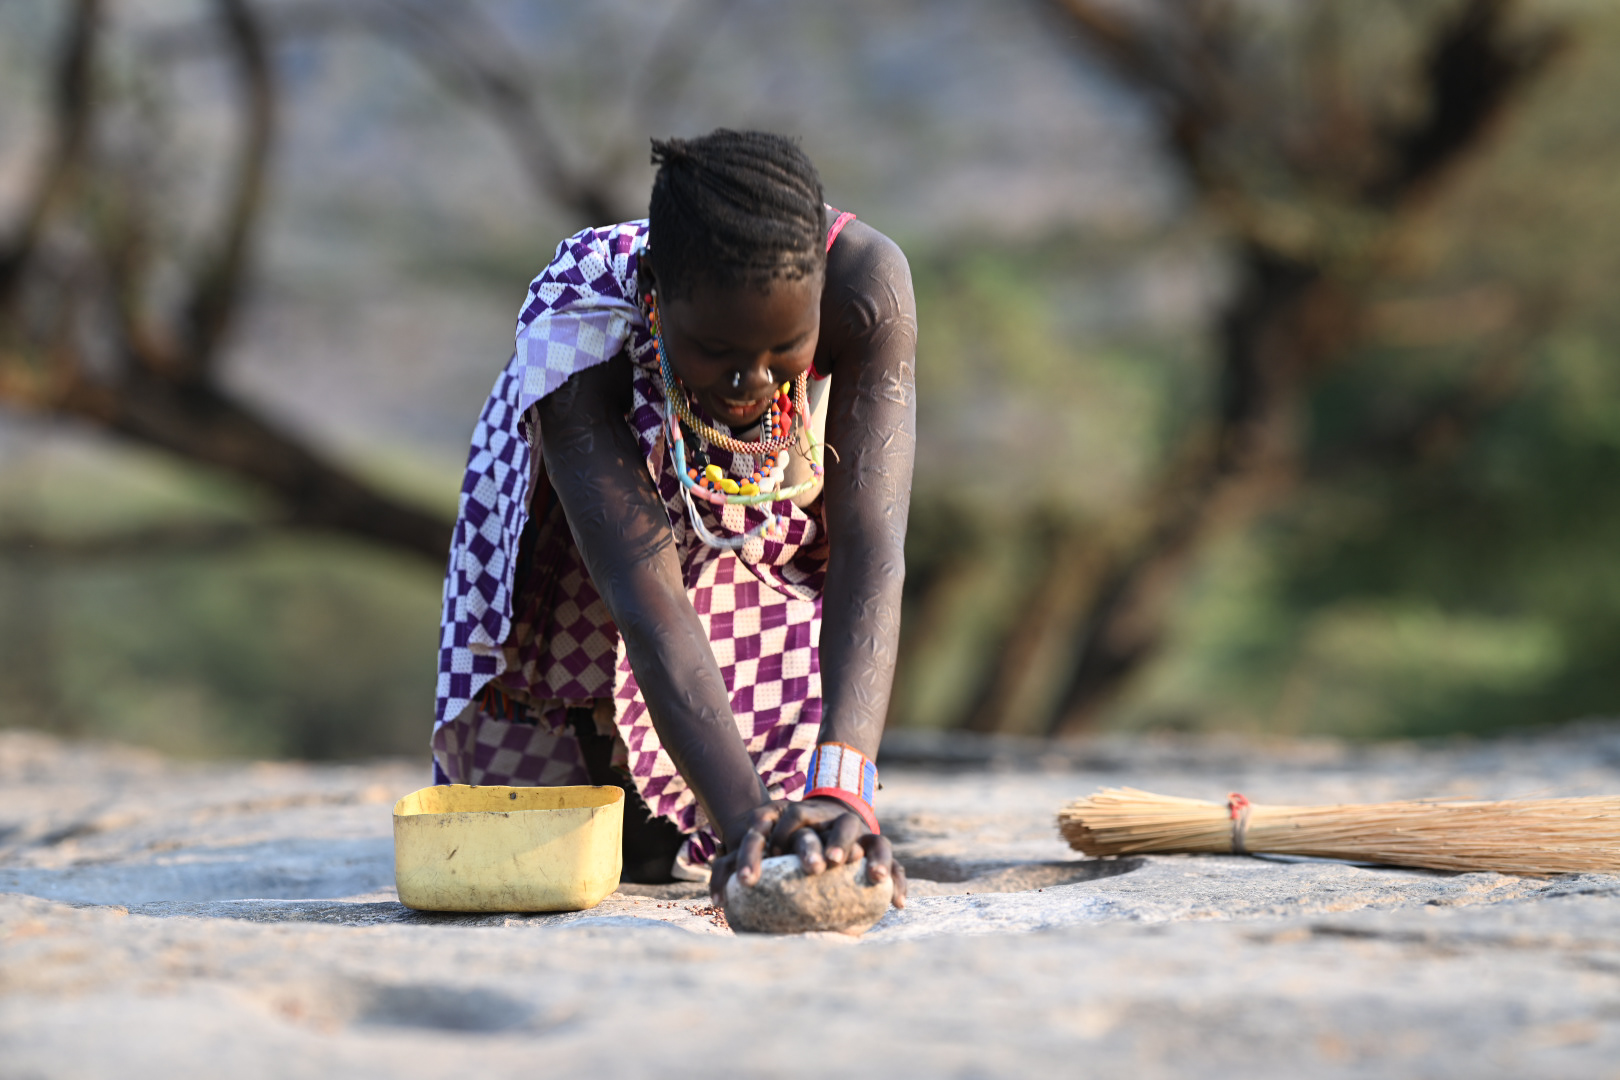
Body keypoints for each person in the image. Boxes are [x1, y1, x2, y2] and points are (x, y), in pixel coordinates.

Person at [432, 129, 916, 909]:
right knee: (605, 853)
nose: (748, 381)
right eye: (716, 348)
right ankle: (632, 769)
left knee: (788, 810)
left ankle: (760, 786)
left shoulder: (868, 287)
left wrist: (845, 788)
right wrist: (746, 816)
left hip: (757, 521)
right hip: (585, 549)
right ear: (654, 288)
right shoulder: (579, 322)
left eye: (783, 349)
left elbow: (871, 544)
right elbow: (645, 598)